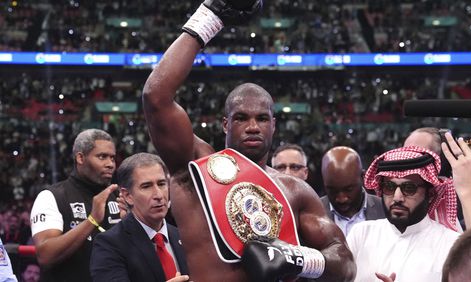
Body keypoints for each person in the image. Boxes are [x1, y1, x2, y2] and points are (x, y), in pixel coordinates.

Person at [142, 0, 355, 281]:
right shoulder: (197, 167)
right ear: (226, 124)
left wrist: (299, 258)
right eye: (241, 118)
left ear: (274, 125)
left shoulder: (295, 191)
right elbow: (155, 97)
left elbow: (345, 263)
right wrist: (210, 17)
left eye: (262, 119)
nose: (253, 127)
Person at [347, 146, 460, 282]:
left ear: (430, 194)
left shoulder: (451, 244)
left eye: (409, 188)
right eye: (389, 187)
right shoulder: (362, 234)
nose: (397, 197)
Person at [30, 129, 121, 282]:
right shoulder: (52, 196)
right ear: (80, 158)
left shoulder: (119, 198)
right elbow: (45, 255)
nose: (110, 164)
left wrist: (130, 224)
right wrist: (92, 220)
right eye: (102, 157)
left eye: (112, 158)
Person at [90, 153, 189, 282]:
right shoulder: (109, 245)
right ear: (127, 196)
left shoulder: (184, 236)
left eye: (161, 184)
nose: (158, 195)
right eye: (146, 186)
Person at [320, 146, 385, 236]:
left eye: (348, 189)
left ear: (363, 177)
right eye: (332, 190)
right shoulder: (312, 213)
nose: (341, 199)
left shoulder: (385, 210)